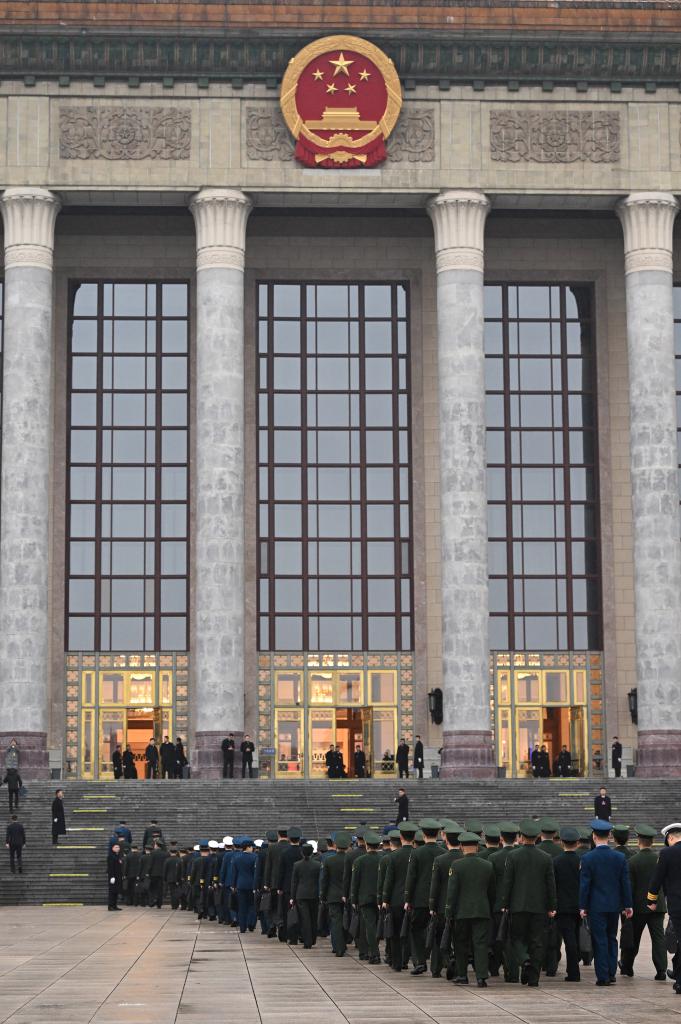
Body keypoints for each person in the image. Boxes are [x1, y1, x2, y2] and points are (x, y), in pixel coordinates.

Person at [499, 819, 557, 988]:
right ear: (537, 837)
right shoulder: (546, 857)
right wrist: (552, 906)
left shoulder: (513, 856)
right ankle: (534, 978)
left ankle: (524, 960)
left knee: (516, 938)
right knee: (537, 942)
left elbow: (508, 882)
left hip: (518, 905)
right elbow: (550, 884)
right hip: (539, 906)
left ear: (522, 837)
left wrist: (505, 903)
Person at [579, 818, 633, 986]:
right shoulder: (619, 857)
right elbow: (625, 883)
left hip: (596, 906)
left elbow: (585, 885)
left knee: (599, 939)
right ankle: (611, 972)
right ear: (609, 836)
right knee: (612, 938)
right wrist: (628, 905)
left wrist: (582, 906)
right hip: (614, 905)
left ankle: (603, 976)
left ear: (594, 836)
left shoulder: (587, 858)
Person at [446, 831, 495, 987]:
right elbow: (492, 890)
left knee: (461, 943)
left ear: (461, 846)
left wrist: (449, 911)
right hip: (482, 910)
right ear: (477, 847)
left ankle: (462, 975)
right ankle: (481, 976)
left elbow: (452, 891)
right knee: (480, 943)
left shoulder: (456, 865)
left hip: (461, 911)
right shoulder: (488, 865)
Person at [618, 824, 667, 980]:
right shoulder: (660, 859)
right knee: (658, 939)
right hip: (657, 905)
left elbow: (630, 887)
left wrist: (626, 906)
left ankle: (627, 967)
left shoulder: (632, 861)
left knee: (634, 938)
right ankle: (661, 970)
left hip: (638, 906)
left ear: (638, 840)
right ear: (652, 842)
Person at [404, 817, 443, 974]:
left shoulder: (416, 853)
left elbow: (411, 877)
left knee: (417, 930)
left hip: (419, 899)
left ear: (423, 834)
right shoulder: (443, 852)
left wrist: (408, 899)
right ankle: (436, 967)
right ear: (438, 834)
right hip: (439, 899)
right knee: (437, 932)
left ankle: (420, 961)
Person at [647, 821, 681, 994]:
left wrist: (651, 899)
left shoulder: (667, 853)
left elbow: (657, 878)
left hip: (677, 904)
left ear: (670, 838)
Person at [382, 820, 417, 972]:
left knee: (395, 932)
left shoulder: (393, 856)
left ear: (401, 837)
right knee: (409, 931)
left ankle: (396, 962)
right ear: (414, 838)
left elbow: (389, 881)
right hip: (414, 899)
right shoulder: (417, 854)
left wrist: (385, 899)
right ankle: (405, 960)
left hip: (396, 899)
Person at [553, 826, 582, 982]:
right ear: (577, 843)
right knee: (575, 937)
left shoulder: (556, 861)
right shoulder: (581, 861)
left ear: (561, 842)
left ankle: (573, 972)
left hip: (563, 906)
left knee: (569, 939)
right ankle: (573, 969)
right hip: (579, 905)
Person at [350, 830, 382, 963]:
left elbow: (355, 882)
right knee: (377, 925)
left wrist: (353, 899)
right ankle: (373, 950)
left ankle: (374, 953)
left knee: (369, 926)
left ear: (367, 845)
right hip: (381, 897)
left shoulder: (359, 861)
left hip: (365, 898)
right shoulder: (384, 859)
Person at [320, 831, 349, 957]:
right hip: (348, 895)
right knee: (346, 919)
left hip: (332, 895)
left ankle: (338, 947)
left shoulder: (329, 860)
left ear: (335, 845)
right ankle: (344, 943)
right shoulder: (351, 859)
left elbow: (324, 880)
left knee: (336, 922)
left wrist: (323, 895)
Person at [291, 841, 322, 948]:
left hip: (301, 894)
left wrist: (292, 896)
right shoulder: (318, 865)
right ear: (312, 852)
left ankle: (307, 941)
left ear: (302, 852)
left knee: (305, 919)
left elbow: (294, 882)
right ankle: (313, 939)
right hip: (314, 894)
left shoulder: (297, 865)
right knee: (313, 917)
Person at [233, 837, 258, 933]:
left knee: (242, 907)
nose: (252, 848)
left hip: (240, 884)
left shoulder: (237, 858)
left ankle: (242, 927)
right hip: (252, 885)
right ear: (248, 847)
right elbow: (256, 873)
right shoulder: (255, 857)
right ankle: (251, 924)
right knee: (252, 906)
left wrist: (234, 885)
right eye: (251, 847)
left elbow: (235, 873)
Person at [108, 841, 123, 910]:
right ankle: (110, 906)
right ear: (112, 848)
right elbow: (110, 867)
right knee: (112, 892)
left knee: (116, 891)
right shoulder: (111, 856)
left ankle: (114, 905)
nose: (118, 848)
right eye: (116, 847)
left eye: (118, 847)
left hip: (118, 876)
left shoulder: (117, 856)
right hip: (113, 877)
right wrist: (112, 876)